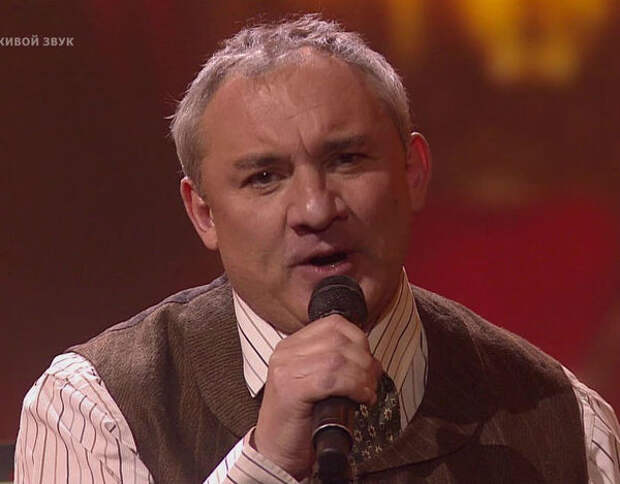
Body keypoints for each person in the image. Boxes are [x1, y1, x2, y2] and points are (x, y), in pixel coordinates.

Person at [14, 14, 620, 484]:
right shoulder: (95, 407)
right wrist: (268, 462)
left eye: (347, 159)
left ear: (412, 172)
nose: (315, 209)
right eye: (264, 177)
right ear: (204, 213)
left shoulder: (566, 422)